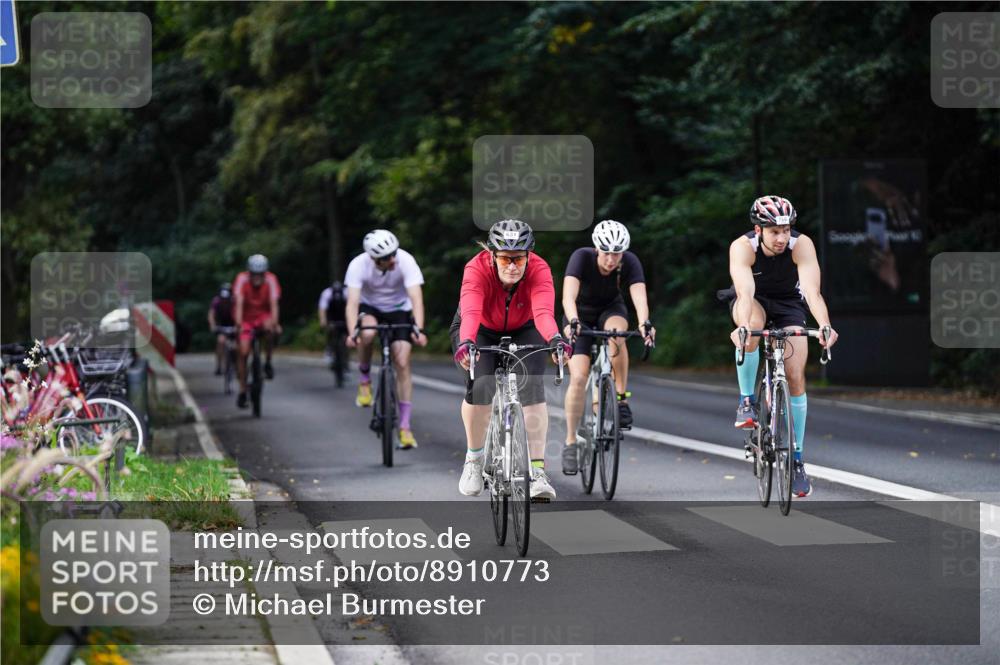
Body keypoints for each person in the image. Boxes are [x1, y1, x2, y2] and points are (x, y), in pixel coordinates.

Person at [452, 220, 572, 501]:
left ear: (528, 256)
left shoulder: (539, 269)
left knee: (532, 389)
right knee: (480, 386)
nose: (512, 265)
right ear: (493, 255)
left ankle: (538, 472)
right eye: (505, 258)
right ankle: (474, 459)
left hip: (525, 326)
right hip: (479, 328)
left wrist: (555, 340)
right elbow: (470, 310)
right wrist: (467, 342)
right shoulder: (476, 268)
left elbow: (543, 312)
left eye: (519, 258)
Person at [727, 195, 839, 497]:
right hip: (754, 301)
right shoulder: (742, 247)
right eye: (774, 231)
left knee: (795, 376)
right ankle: (747, 401)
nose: (781, 237)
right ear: (758, 229)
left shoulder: (801, 245)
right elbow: (745, 290)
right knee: (751, 326)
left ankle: (798, 460)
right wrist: (743, 328)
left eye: (786, 230)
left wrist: (825, 325)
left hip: (789, 304)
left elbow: (812, 292)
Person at [560, 220, 655, 475]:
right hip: (579, 315)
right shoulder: (581, 258)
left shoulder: (630, 262)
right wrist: (572, 321)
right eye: (607, 252)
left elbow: (639, 297)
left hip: (610, 309)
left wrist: (645, 323)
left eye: (617, 253)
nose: (612, 259)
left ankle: (621, 398)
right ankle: (571, 441)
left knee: (617, 334)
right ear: (596, 248)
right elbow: (568, 296)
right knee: (578, 377)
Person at [344, 230, 428, 449]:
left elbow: (416, 299)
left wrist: (418, 329)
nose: (392, 260)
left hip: (400, 309)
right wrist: (352, 331)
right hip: (370, 307)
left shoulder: (406, 260)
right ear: (373, 259)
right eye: (386, 258)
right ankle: (364, 380)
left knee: (402, 362)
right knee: (368, 333)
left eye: (393, 254)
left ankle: (405, 426)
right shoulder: (358, 265)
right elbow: (352, 303)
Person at [233, 254, 282, 408]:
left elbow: (274, 304)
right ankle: (242, 390)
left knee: (270, 329)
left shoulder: (271, 280)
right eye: (254, 274)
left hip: (263, 316)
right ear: (249, 272)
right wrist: (239, 324)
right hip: (246, 317)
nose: (257, 278)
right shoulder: (241, 279)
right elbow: (239, 303)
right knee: (243, 351)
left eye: (260, 275)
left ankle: (267, 361)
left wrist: (275, 323)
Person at [318, 280, 348, 370]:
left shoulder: (346, 293)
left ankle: (345, 360)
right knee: (330, 332)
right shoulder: (327, 293)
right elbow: (322, 308)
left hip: (344, 317)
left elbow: (351, 307)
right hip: (332, 317)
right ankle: (329, 349)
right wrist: (323, 321)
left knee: (346, 338)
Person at [207, 282, 235, 375]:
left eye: (226, 299)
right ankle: (219, 366)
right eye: (223, 299)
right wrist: (212, 325)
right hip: (222, 325)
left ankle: (237, 364)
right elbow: (211, 314)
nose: (225, 301)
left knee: (236, 345)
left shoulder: (235, 301)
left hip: (234, 324)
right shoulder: (216, 301)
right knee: (221, 341)